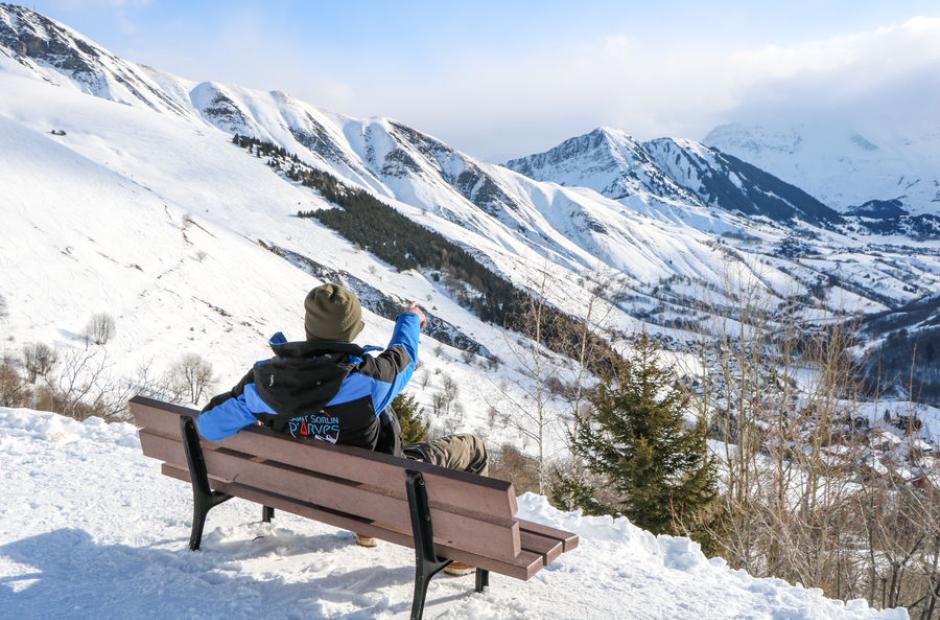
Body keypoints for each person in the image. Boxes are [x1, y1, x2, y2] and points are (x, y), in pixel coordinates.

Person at [196, 283, 487, 575]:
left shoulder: (263, 383)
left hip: (306, 491)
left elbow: (207, 425)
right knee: (473, 448)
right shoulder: (369, 381)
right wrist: (411, 318)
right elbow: (404, 354)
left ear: (309, 327)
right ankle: (466, 552)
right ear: (351, 332)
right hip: (383, 495)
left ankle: (364, 529)